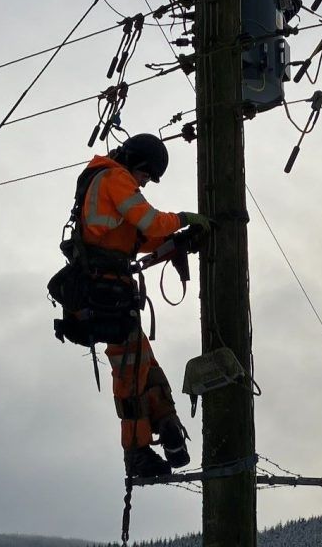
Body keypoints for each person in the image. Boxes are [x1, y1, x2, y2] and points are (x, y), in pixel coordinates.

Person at [70, 133, 211, 478]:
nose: (145, 184)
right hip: (107, 293)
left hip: (108, 293)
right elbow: (148, 221)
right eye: (147, 175)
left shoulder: (104, 182)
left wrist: (175, 241)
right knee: (131, 372)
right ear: (138, 163)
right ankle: (137, 450)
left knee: (141, 365)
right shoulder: (114, 177)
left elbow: (137, 236)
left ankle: (165, 422)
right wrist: (182, 219)